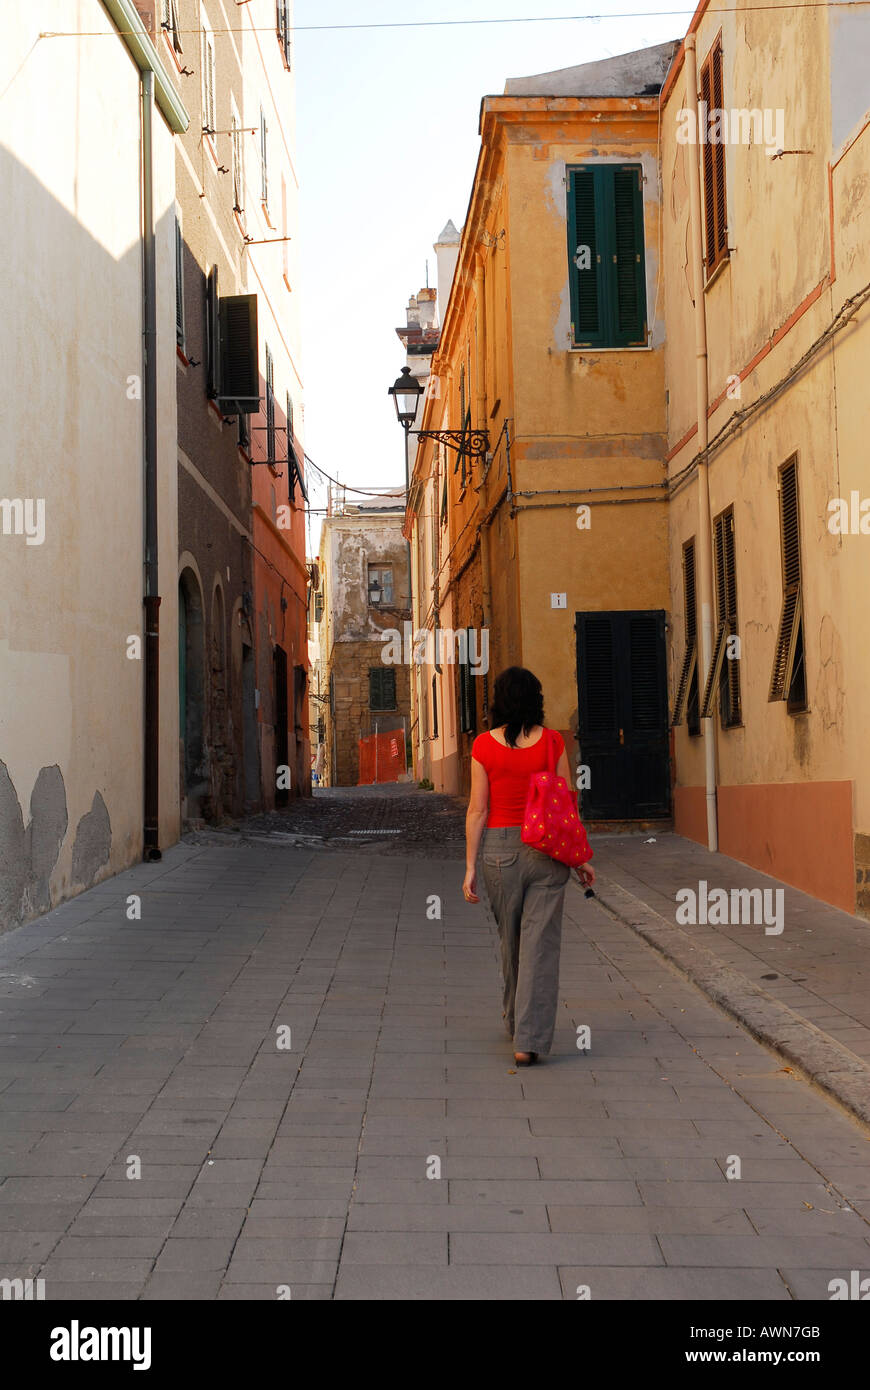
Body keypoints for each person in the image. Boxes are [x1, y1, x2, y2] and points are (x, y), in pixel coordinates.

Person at [463, 666, 594, 1067]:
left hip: (499, 853)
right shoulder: (553, 743)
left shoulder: (483, 747)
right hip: (545, 851)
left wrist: (470, 867)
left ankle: (516, 1022)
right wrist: (581, 859)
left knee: (511, 942)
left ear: (498, 702)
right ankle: (528, 1038)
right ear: (536, 700)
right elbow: (566, 806)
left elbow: (477, 810)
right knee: (540, 946)